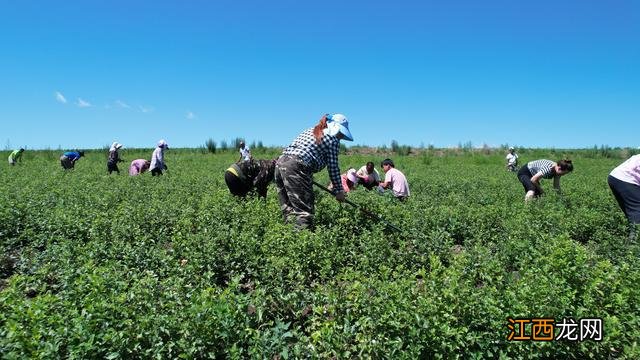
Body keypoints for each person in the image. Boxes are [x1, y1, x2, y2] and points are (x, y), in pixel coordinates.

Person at [274, 113, 353, 230]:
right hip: (296, 167)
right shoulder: (333, 138)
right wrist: (339, 190)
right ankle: (302, 246)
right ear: (336, 128)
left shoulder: (312, 130)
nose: (341, 137)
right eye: (341, 133)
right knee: (304, 214)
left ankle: (287, 240)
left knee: (289, 211)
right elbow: (333, 167)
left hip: (280, 164)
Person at [608, 154, 640, 241]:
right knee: (637, 210)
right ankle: (634, 243)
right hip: (626, 179)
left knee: (632, 213)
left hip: (615, 177)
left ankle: (632, 239)